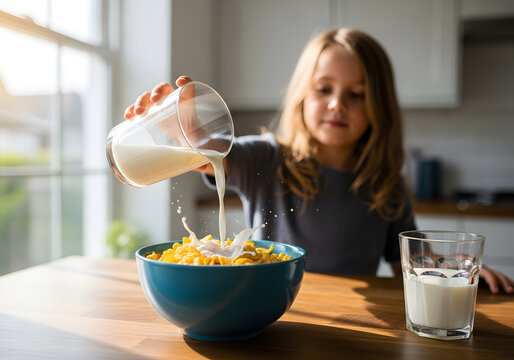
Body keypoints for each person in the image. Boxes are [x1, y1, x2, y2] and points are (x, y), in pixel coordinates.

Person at [125, 28, 513, 294]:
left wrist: (450, 269)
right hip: (266, 310)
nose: (337, 104)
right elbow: (210, 156)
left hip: (349, 321)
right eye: (324, 89)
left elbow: (409, 265)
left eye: (357, 94)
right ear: (302, 96)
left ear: (380, 107)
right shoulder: (266, 157)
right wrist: (185, 131)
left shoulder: (385, 184)